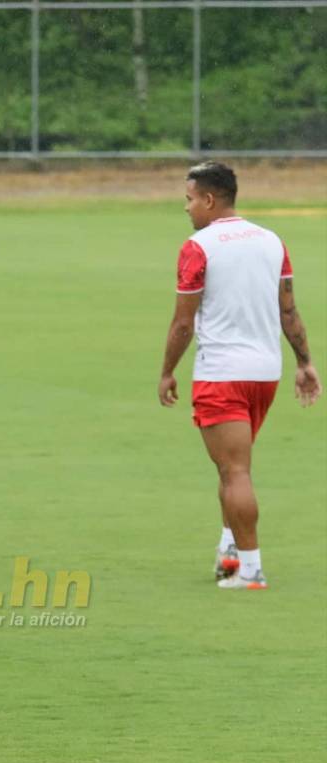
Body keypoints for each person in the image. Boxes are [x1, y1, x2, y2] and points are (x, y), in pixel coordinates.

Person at [158, 161, 321, 590]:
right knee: (232, 468)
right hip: (265, 372)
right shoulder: (271, 240)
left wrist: (167, 371)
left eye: (189, 199)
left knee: (235, 472)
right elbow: (288, 309)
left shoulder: (199, 246)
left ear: (210, 200)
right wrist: (304, 362)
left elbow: (182, 324)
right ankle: (230, 552)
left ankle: (250, 570)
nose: (187, 208)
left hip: (222, 373)